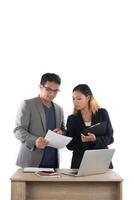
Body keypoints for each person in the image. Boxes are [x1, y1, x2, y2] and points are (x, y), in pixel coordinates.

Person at [14, 73, 65, 168]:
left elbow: (63, 129)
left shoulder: (59, 109)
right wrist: (35, 141)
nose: (52, 94)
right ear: (40, 87)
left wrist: (61, 133)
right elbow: (18, 130)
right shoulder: (28, 104)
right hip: (31, 162)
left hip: (53, 163)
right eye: (49, 89)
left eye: (55, 91)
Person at [66, 84, 114, 169]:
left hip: (101, 161)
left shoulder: (102, 113)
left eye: (79, 98)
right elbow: (69, 145)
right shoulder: (71, 118)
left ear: (88, 98)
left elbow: (110, 138)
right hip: (79, 163)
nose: (75, 101)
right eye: (73, 98)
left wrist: (95, 139)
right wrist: (82, 140)